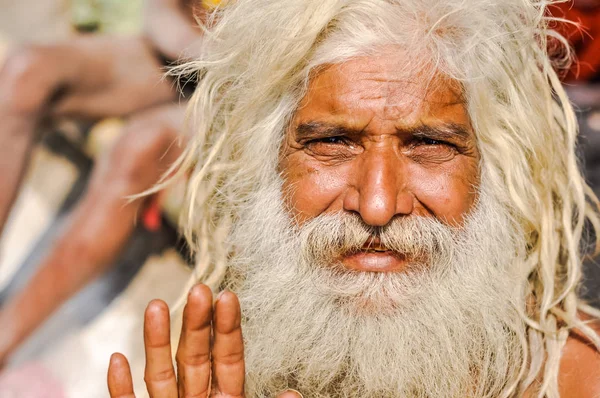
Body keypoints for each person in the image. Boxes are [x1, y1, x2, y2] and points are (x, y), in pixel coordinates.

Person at [105, 0, 600, 397]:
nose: (378, 204)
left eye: (428, 144)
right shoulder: (220, 366)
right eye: (333, 143)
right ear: (267, 166)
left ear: (495, 169)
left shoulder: (578, 380)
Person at [0, 0, 205, 365]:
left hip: (243, 99)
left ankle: (3, 341)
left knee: (138, 150)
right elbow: (160, 12)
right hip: (180, 54)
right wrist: (203, 51)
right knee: (24, 72)